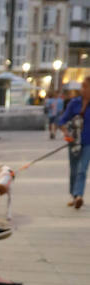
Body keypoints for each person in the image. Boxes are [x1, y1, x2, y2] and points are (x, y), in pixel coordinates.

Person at [57, 76, 90, 209]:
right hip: (74, 141)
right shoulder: (74, 102)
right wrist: (66, 133)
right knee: (74, 170)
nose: (84, 89)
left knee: (82, 170)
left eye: (86, 87)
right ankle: (73, 194)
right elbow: (62, 120)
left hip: (88, 141)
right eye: (83, 87)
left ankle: (78, 196)